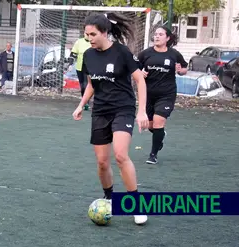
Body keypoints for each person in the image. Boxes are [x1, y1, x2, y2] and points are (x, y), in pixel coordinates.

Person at [72, 13, 149, 225]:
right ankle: (109, 199)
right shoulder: (88, 55)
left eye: (93, 34)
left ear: (105, 32)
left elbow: (140, 82)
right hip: (100, 111)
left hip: (122, 109)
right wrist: (81, 105)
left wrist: (142, 111)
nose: (89, 38)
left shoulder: (122, 52)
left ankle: (136, 205)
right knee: (102, 163)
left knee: (121, 155)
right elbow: (91, 84)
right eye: (86, 35)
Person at [137, 26, 188, 164]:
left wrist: (180, 70)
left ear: (167, 38)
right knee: (150, 125)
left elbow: (184, 68)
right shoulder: (145, 53)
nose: (157, 37)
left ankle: (153, 155)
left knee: (159, 121)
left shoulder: (174, 54)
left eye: (160, 34)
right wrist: (140, 73)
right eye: (156, 34)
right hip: (147, 95)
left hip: (166, 95)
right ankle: (160, 135)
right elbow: (133, 68)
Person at [68, 33, 91, 110]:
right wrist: (70, 64)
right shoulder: (79, 42)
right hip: (80, 67)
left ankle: (86, 102)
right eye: (86, 33)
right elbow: (73, 53)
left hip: (90, 68)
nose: (88, 35)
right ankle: (85, 102)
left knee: (86, 84)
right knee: (82, 86)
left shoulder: (94, 42)